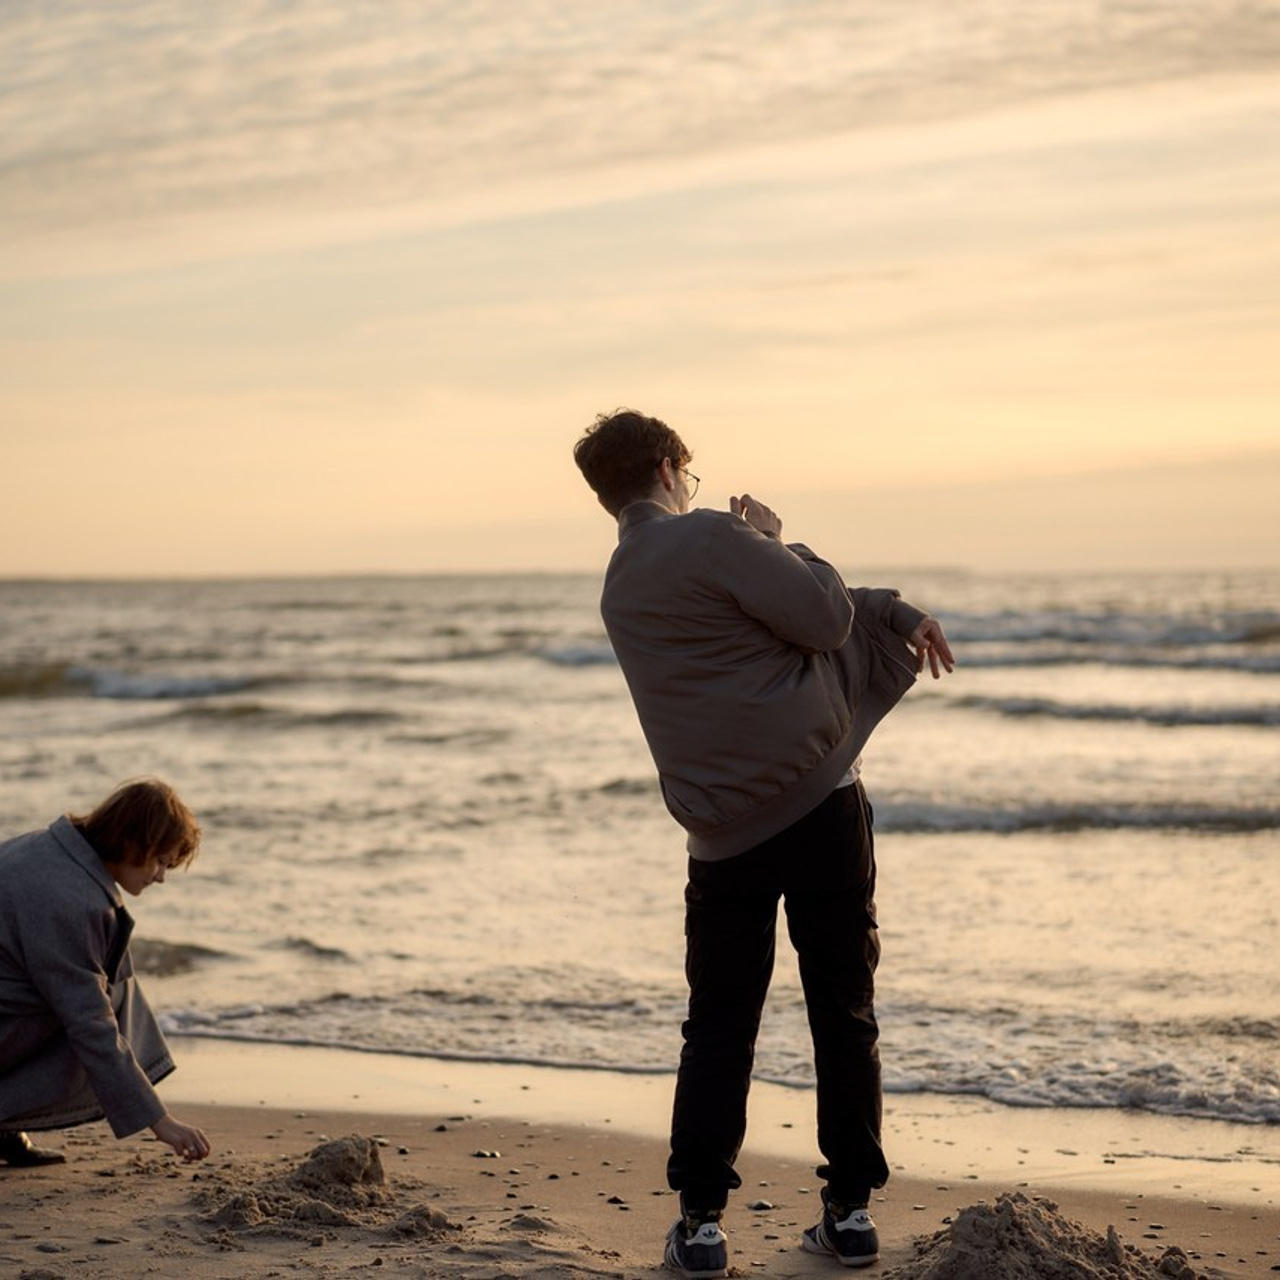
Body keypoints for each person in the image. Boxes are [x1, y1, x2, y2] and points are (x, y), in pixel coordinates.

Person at [573, 410, 954, 1275]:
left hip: (721, 835)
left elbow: (750, 648)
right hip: (821, 808)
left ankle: (701, 1224)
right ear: (671, 468)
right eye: (689, 473)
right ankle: (850, 1214)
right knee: (843, 1012)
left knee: (717, 1026)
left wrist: (892, 609)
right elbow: (820, 620)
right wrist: (781, 541)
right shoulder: (712, 537)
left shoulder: (619, 583)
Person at [0, 778, 212, 1167]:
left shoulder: (47, 848)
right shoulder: (72, 901)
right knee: (98, 1008)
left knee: (105, 983)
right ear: (132, 842)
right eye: (161, 861)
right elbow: (91, 1025)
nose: (161, 876)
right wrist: (159, 1121)